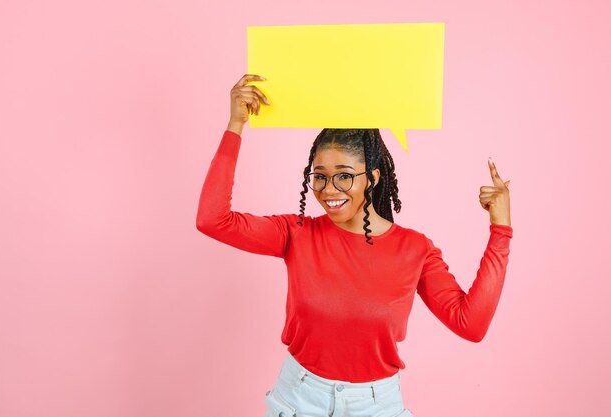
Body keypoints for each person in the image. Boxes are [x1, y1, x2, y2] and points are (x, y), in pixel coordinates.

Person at [196, 74, 513, 417]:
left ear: (373, 178)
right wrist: (235, 125)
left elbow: (471, 324)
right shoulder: (296, 233)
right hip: (299, 399)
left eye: (344, 175)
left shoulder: (414, 249)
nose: (329, 190)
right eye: (319, 176)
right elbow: (213, 219)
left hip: (376, 406)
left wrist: (501, 229)